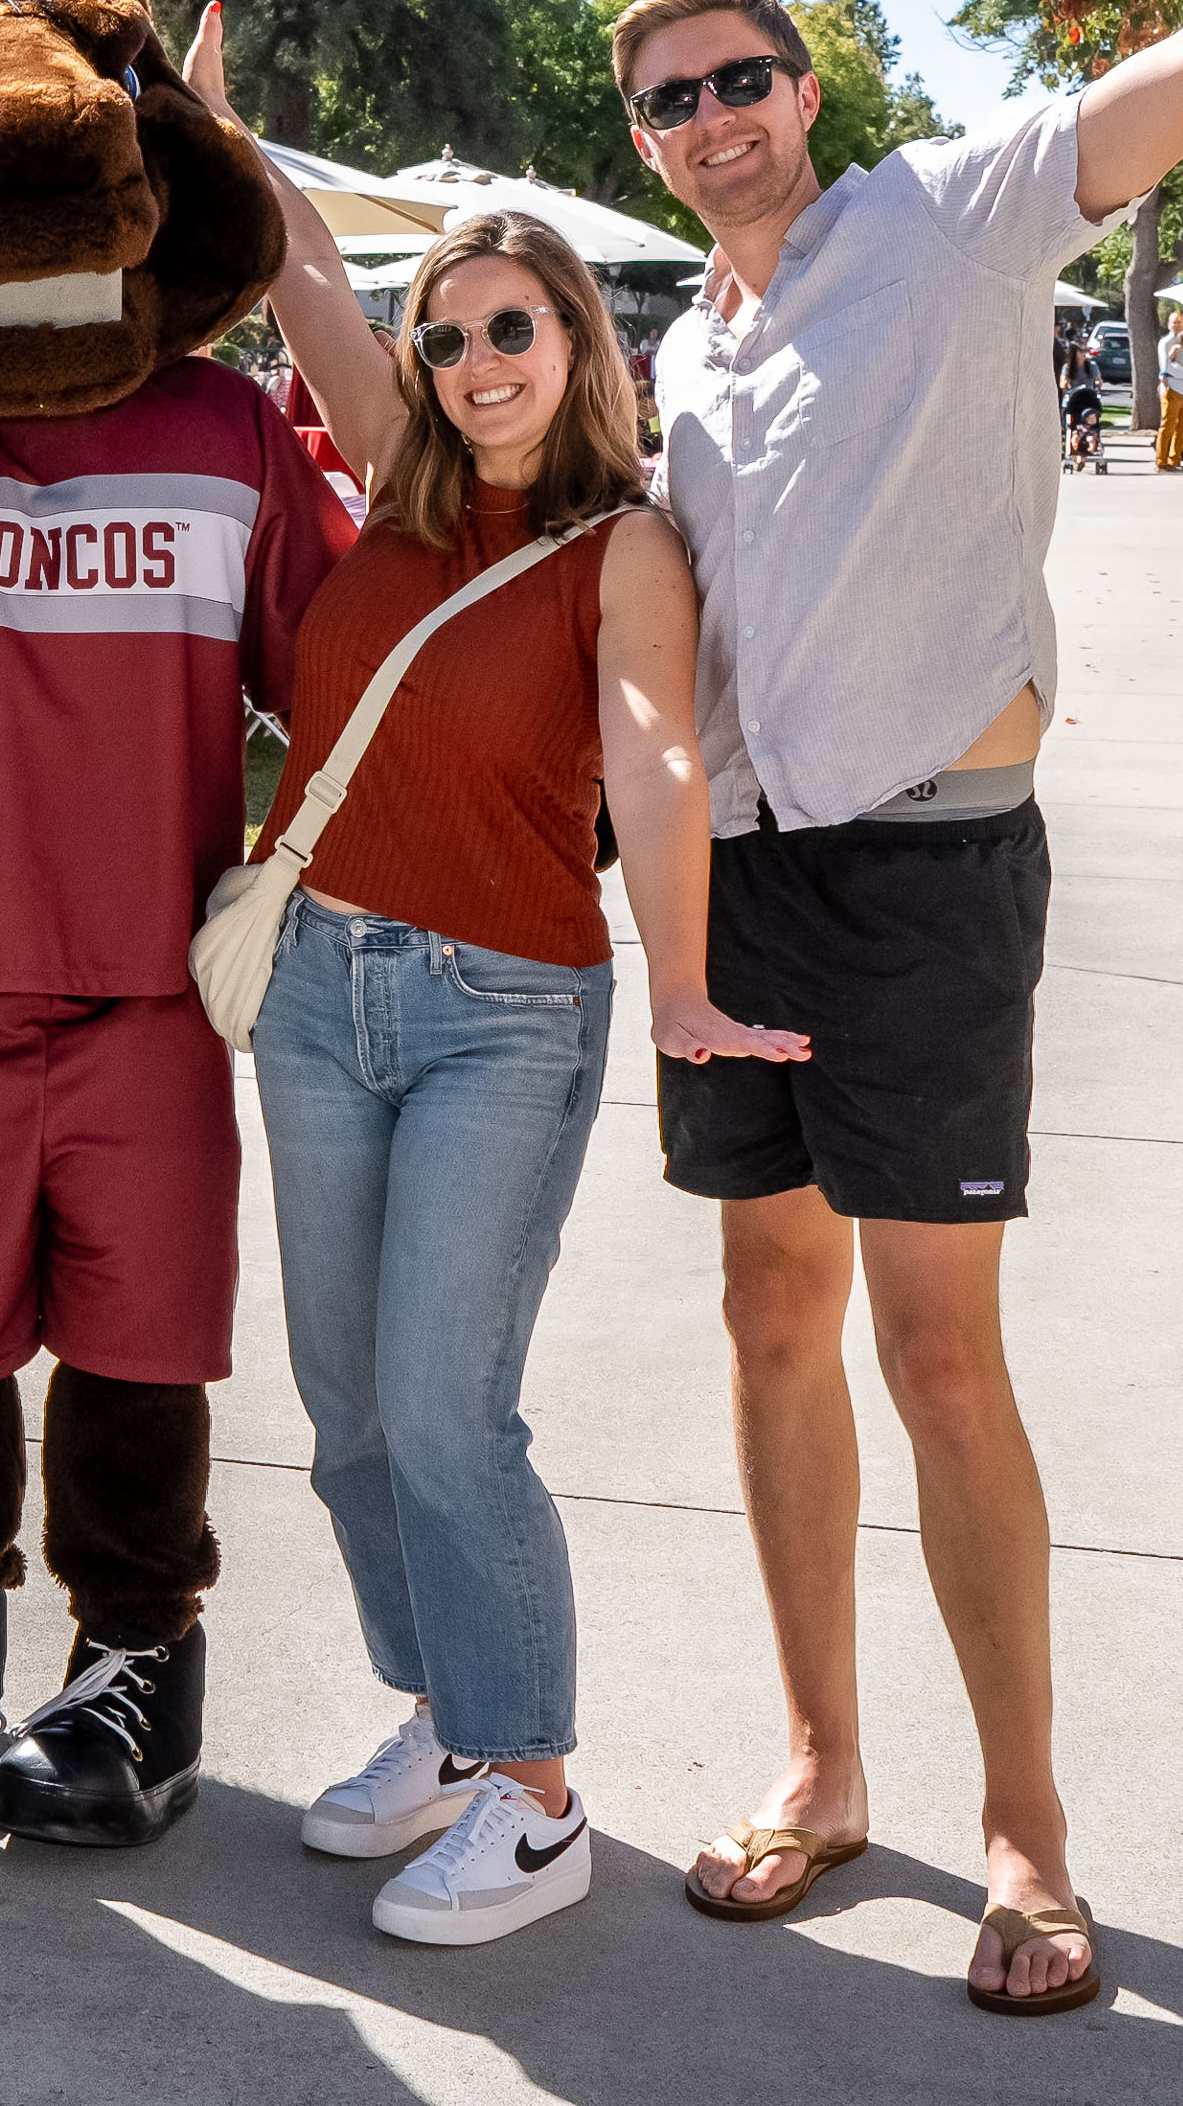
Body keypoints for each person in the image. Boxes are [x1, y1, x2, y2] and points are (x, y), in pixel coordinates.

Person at [633, 0, 1183, 2018]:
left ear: (805, 81)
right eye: (665, 100)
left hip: (933, 880)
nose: (710, 116)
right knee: (761, 1322)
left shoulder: (946, 217)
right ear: (639, 144)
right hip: (742, 891)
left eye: (737, 76)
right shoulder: (683, 358)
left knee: (939, 1355)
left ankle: (1021, 1835)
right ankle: (818, 1768)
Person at [250, 203, 807, 1947]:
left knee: (443, 1401)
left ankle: (540, 1793)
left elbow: (650, 749)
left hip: (501, 1008)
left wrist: (685, 971)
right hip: (316, 991)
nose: (478, 364)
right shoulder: (398, 483)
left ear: (579, 344)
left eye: (513, 330)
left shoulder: (621, 547)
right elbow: (309, 280)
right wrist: (221, 130)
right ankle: (447, 1715)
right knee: (345, 1406)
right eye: (449, 334)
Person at [1152, 314, 1183, 472]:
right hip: (1171, 389)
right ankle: (1161, 461)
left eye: (1179, 322)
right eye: (1173, 323)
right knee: (1168, 425)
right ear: (1168, 324)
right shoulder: (1166, 342)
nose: (1176, 325)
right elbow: (1167, 368)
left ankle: (1175, 459)